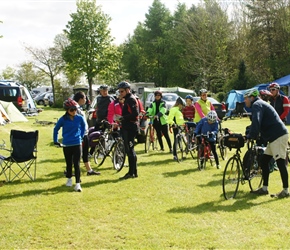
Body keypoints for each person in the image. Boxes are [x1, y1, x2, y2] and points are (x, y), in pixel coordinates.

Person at [244, 88, 289, 198]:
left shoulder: (257, 105)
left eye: (246, 99)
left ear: (252, 97)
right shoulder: (259, 103)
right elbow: (258, 123)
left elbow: (257, 121)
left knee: (280, 163)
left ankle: (286, 191)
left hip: (278, 136)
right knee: (264, 161)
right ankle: (264, 188)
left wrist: (251, 135)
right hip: (274, 137)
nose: (245, 101)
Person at [53, 98, 86, 192]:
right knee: (68, 163)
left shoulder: (79, 118)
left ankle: (78, 184)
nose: (74, 111)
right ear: (67, 111)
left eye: (75, 109)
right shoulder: (63, 119)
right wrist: (55, 140)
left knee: (77, 163)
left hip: (77, 143)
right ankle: (69, 179)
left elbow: (84, 126)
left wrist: (82, 136)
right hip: (67, 144)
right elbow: (56, 129)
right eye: (72, 110)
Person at [73, 91, 100, 176]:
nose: (86, 99)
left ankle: (89, 170)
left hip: (84, 133)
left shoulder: (79, 108)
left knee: (84, 152)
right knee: (77, 153)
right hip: (81, 134)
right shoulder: (75, 109)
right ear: (80, 99)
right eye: (84, 98)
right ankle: (69, 170)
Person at [118, 81, 139, 180]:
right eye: (119, 91)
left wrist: (123, 118)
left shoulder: (130, 100)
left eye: (122, 91)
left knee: (130, 150)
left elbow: (135, 114)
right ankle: (134, 172)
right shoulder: (127, 99)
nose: (120, 93)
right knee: (130, 150)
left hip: (130, 127)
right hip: (128, 127)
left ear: (127, 90)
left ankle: (131, 172)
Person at [89, 85, 114, 155]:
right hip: (98, 120)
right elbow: (94, 107)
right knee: (95, 135)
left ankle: (105, 151)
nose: (104, 92)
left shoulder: (110, 98)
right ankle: (92, 151)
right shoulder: (98, 98)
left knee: (105, 136)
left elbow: (113, 109)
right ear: (100, 91)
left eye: (106, 90)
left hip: (107, 120)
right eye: (103, 91)